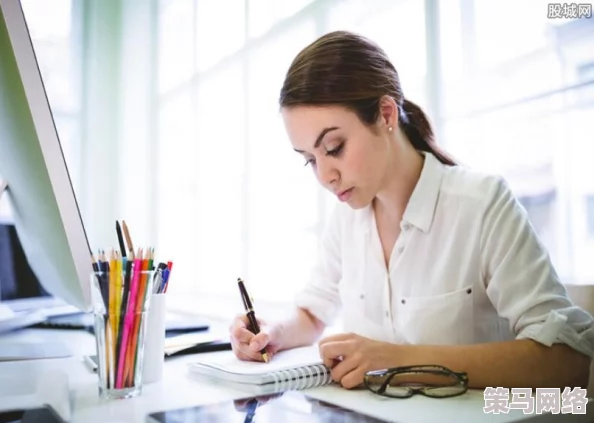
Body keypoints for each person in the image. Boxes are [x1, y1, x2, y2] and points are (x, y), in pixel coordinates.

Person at [229, 30, 594, 390]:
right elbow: (312, 314)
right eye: (310, 160)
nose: (325, 176)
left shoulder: (482, 204)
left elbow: (567, 359)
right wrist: (272, 334)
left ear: (386, 113)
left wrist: (400, 361)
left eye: (334, 147)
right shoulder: (347, 220)